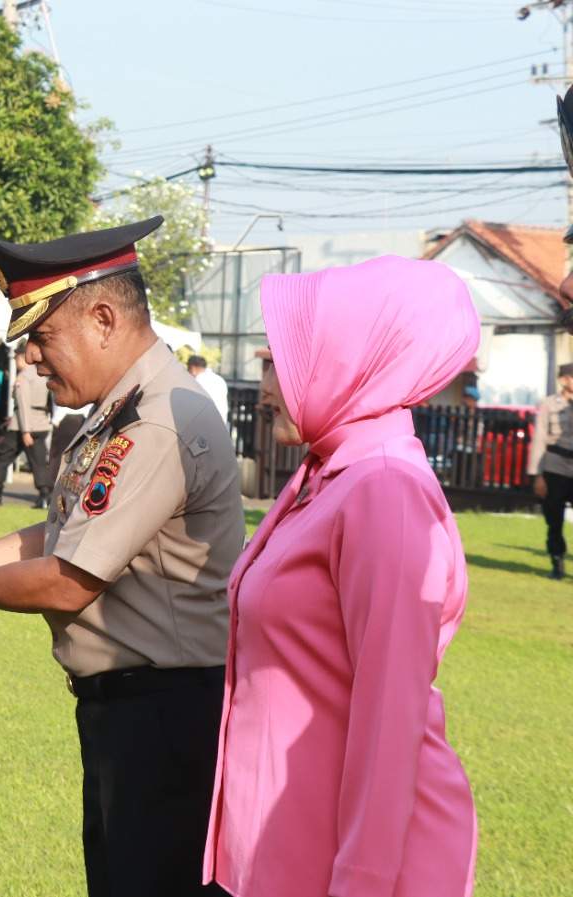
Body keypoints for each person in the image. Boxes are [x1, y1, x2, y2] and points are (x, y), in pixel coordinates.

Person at [0, 217, 241, 897]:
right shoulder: (119, 409)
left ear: (102, 318)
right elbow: (58, 533)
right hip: (130, 714)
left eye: (41, 336)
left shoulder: (155, 423)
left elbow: (68, 580)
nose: (30, 357)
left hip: (165, 720)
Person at [204, 256, 478, 897]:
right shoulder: (326, 476)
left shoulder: (384, 491)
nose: (263, 385)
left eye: (276, 362)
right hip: (278, 849)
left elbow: (390, 720)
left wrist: (361, 884)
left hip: (351, 865)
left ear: (347, 359)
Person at [0, 342, 51, 507]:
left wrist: (25, 430)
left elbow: (23, 404)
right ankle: (45, 496)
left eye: (16, 359)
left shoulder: (23, 377)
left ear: (22, 358)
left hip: (22, 426)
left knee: (3, 456)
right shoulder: (42, 375)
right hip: (40, 423)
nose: (15, 362)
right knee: (39, 461)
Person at [528, 362, 573, 579]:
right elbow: (539, 439)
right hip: (555, 466)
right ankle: (557, 562)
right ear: (564, 380)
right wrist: (538, 476)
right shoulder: (548, 404)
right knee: (554, 519)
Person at [187, 354, 230, 424]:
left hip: (204, 423)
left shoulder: (197, 381)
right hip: (221, 424)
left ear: (192, 368)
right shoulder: (220, 380)